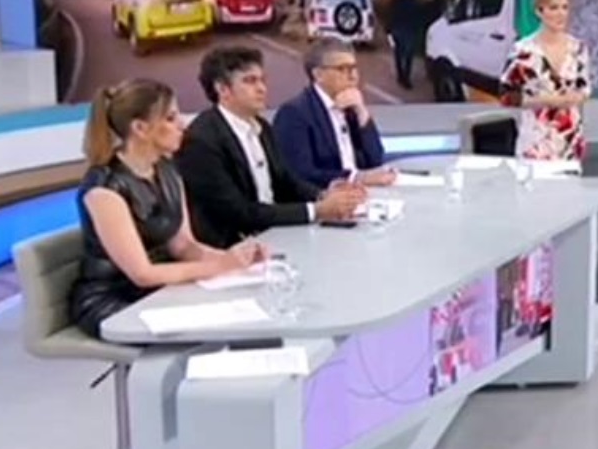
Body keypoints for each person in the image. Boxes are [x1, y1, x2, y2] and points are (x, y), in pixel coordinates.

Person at [68, 79, 262, 338]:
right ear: (140, 128)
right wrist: (220, 266)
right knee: (205, 331)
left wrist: (237, 260)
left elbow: (183, 246)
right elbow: (142, 274)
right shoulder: (104, 189)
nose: (182, 124)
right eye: (170, 118)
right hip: (113, 299)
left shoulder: (168, 170)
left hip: (156, 290)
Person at [176, 47, 363, 249]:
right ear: (223, 89)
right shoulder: (202, 140)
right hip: (232, 246)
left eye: (262, 80)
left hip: (274, 234)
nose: (262, 88)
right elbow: (238, 212)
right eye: (250, 81)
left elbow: (285, 181)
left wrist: (323, 195)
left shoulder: (262, 126)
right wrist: (317, 210)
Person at [273, 40, 393, 188]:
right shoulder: (294, 114)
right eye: (342, 69)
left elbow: (375, 160)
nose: (353, 76)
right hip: (324, 196)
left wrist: (362, 112)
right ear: (318, 75)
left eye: (354, 68)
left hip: (361, 192)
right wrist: (357, 178)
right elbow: (301, 174)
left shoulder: (351, 107)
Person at [501, 0, 591, 160]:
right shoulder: (523, 51)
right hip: (535, 142)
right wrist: (549, 100)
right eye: (553, 8)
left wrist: (576, 98)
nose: (561, 14)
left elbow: (585, 89)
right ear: (539, 11)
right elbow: (506, 97)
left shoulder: (578, 48)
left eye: (565, 7)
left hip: (570, 141)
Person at [387, 0, 421, 89]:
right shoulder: (412, 0)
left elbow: (391, 15)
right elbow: (416, 14)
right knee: (408, 55)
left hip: (398, 29)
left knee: (398, 54)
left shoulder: (394, 0)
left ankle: (401, 75)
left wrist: (389, 29)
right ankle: (406, 77)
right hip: (408, 30)